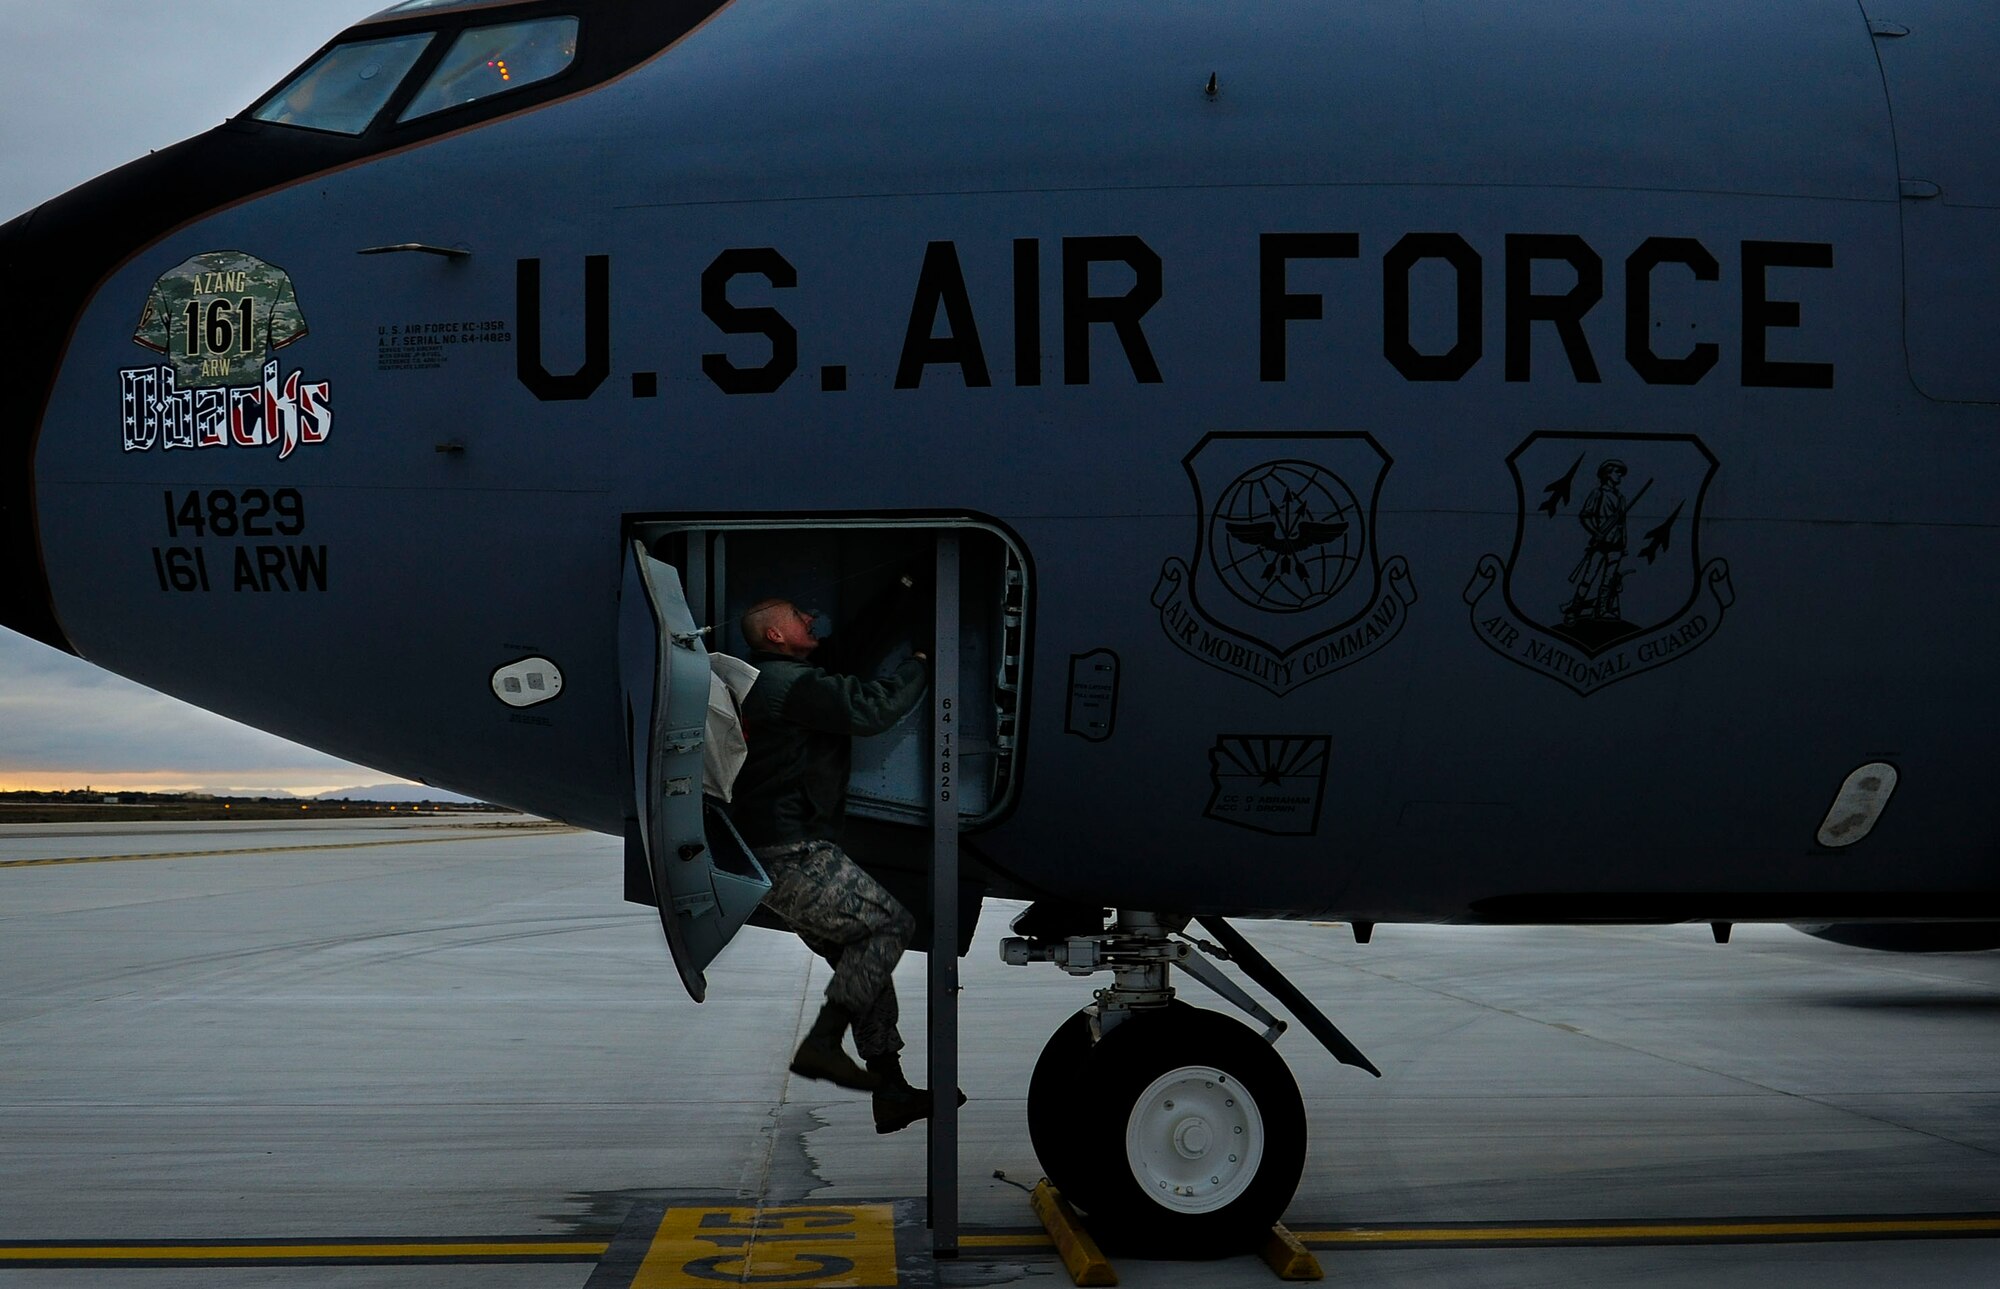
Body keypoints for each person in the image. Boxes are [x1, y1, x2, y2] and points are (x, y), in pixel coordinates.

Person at [728, 593, 939, 1133]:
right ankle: (823, 1045)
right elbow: (869, 709)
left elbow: (842, 661)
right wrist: (921, 665)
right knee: (888, 926)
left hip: (773, 853)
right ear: (775, 635)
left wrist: (902, 587)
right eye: (798, 616)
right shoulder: (785, 684)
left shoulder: (779, 681)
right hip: (789, 851)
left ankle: (890, 1088)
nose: (810, 618)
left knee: (862, 954)